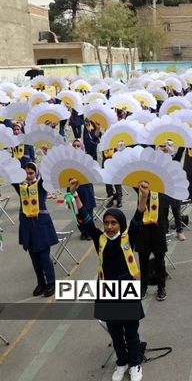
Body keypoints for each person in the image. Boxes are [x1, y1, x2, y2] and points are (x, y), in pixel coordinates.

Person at [71, 179, 146, 381]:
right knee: (114, 331)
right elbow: (86, 221)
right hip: (107, 292)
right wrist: (75, 195)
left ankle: (135, 363)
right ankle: (121, 362)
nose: (109, 227)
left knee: (131, 331)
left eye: (113, 223)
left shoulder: (128, 238)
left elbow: (139, 215)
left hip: (127, 291)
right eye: (106, 223)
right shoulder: (99, 239)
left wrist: (144, 194)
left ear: (120, 224)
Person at [13, 162, 58, 297]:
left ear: (36, 173)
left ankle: (51, 283)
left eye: (31, 173)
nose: (28, 176)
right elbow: (11, 177)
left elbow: (48, 173)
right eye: (26, 173)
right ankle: (41, 283)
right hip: (27, 227)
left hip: (41, 226)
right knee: (34, 259)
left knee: (44, 257)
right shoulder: (21, 187)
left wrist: (46, 155)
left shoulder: (41, 186)